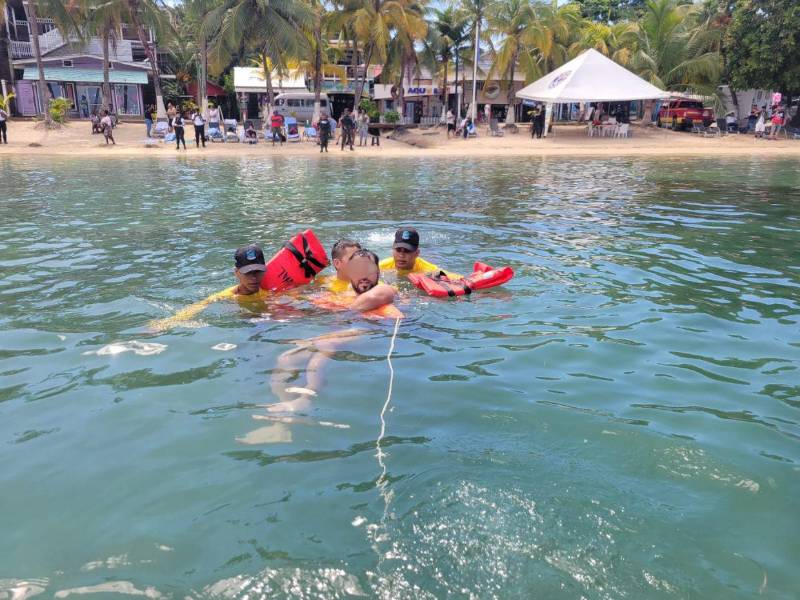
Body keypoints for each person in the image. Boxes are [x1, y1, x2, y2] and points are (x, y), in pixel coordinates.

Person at [149, 244, 271, 331]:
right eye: (248, 273)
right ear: (236, 272)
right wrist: (166, 323)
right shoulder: (227, 296)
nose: (254, 278)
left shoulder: (271, 288)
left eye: (258, 271)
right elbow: (197, 307)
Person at [379, 227, 457, 277]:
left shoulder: (427, 269)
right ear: (393, 250)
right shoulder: (381, 266)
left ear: (417, 253)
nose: (401, 255)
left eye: (407, 251)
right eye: (398, 250)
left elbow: (455, 278)